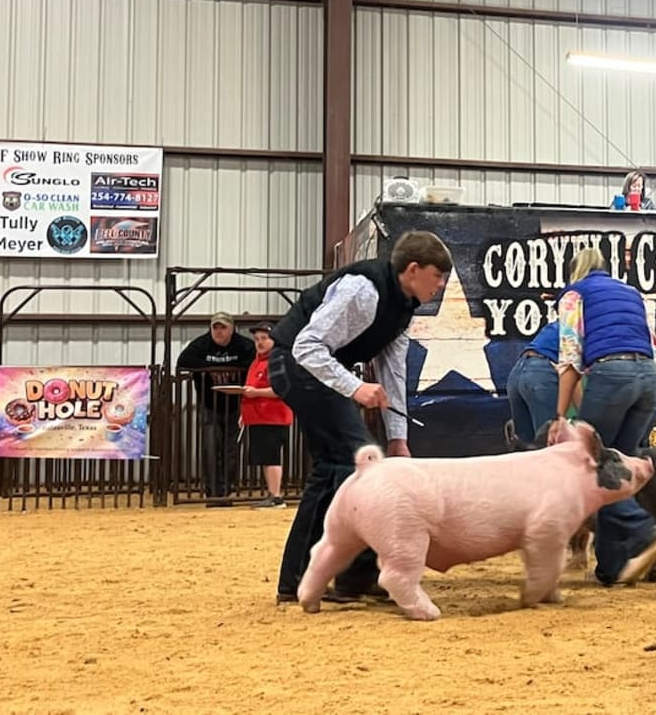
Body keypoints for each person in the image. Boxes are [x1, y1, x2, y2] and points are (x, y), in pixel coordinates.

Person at [268, 230, 452, 604]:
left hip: (320, 370)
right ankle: (319, 577)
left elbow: (392, 372)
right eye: (438, 276)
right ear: (413, 269)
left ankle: (328, 578)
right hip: (296, 364)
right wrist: (354, 387)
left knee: (347, 465)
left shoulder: (403, 309)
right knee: (355, 460)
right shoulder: (363, 289)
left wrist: (399, 437)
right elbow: (307, 346)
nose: (442, 285)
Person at [555, 247, 656, 586]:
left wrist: (559, 416)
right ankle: (611, 567)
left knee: (586, 463)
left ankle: (645, 532)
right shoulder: (631, 293)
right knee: (617, 469)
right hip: (648, 379)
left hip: (612, 376)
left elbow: (570, 358)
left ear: (575, 270)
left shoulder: (574, 295)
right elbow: (653, 347)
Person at [176, 312, 256, 506]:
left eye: (223, 328)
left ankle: (226, 491)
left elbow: (254, 361)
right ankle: (213, 492)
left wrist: (227, 368)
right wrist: (212, 369)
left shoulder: (243, 345)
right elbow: (183, 361)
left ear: (232, 328)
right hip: (209, 405)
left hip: (236, 405)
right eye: (215, 327)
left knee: (231, 449)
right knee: (210, 447)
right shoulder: (201, 344)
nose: (219, 332)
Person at [240, 322, 294, 509]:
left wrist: (255, 393)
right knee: (266, 457)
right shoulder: (257, 361)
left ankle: (276, 496)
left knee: (271, 457)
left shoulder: (276, 360)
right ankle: (273, 493)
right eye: (257, 339)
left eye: (264, 338)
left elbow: (281, 390)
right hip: (259, 416)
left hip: (273, 416)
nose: (260, 342)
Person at [506, 320, 560, 444]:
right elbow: (571, 369)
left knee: (525, 449)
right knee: (550, 447)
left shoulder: (561, 322)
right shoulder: (588, 327)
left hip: (517, 371)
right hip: (542, 373)